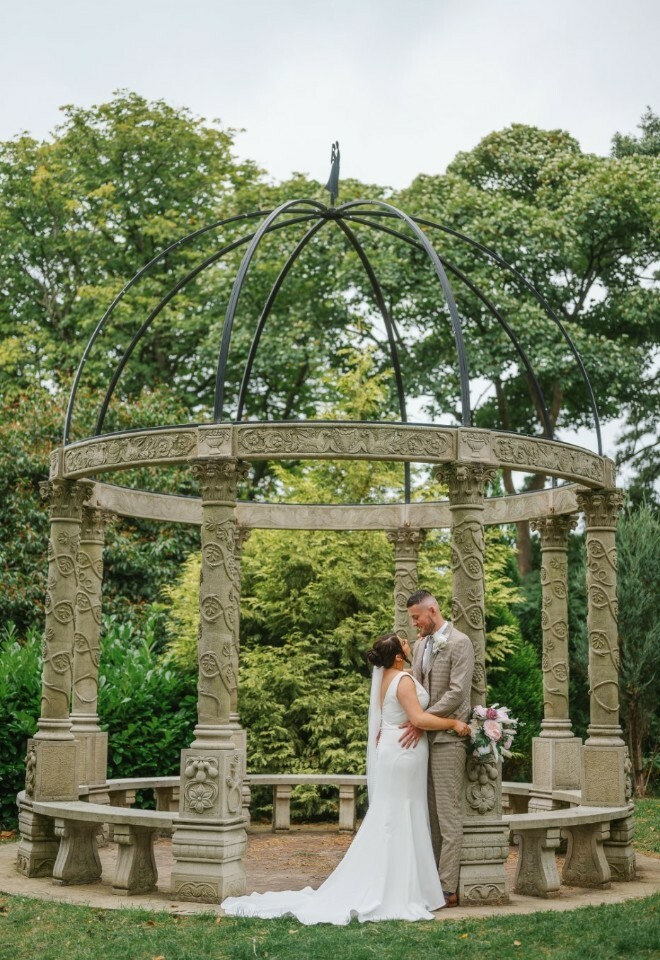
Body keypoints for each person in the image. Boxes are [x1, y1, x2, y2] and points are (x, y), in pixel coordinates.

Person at [221, 633, 470, 924]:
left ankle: (412, 885)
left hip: (399, 750)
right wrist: (454, 723)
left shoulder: (391, 676)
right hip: (403, 753)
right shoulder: (401, 681)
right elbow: (418, 719)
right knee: (398, 816)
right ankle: (399, 889)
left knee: (402, 815)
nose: (409, 642)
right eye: (404, 642)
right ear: (399, 656)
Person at [400, 589, 475, 907]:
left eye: (417, 617)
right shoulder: (419, 645)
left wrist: (423, 719)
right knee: (426, 814)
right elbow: (415, 686)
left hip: (446, 741)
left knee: (447, 816)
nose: (415, 623)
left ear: (432, 610)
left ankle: (447, 888)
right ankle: (429, 883)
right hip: (422, 741)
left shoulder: (460, 643)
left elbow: (458, 693)